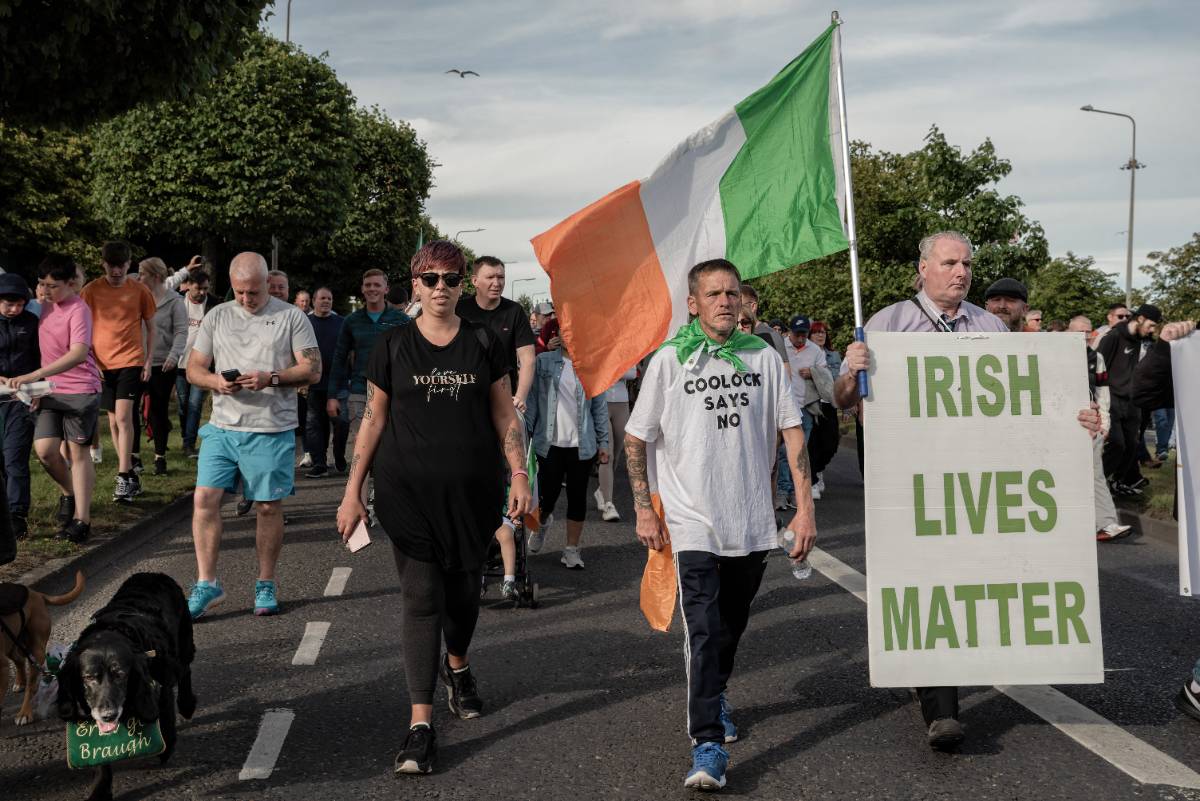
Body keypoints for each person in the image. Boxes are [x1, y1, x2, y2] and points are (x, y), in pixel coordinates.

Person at [835, 237, 1102, 753]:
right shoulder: (887, 324)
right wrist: (851, 371)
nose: (961, 273)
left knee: (966, 576)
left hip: (975, 476)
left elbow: (1028, 401)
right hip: (911, 477)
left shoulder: (990, 326)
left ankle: (956, 676)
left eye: (967, 264)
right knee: (925, 577)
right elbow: (845, 401)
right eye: (950, 263)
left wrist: (1078, 419)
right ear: (924, 268)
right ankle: (942, 707)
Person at [335, 240, 532, 776]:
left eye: (450, 279)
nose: (440, 288)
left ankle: (458, 665)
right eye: (430, 279)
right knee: (422, 598)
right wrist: (354, 490)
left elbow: (503, 414)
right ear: (415, 285)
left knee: (464, 596)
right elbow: (372, 420)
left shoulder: (485, 341)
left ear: (462, 284)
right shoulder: (392, 345)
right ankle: (421, 724)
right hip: (407, 494)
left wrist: (519, 471)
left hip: (473, 497)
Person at [624, 258, 815, 791]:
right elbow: (636, 438)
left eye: (733, 293)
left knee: (732, 621)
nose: (726, 301)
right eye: (713, 294)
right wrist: (644, 508)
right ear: (693, 303)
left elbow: (792, 432)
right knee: (704, 628)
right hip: (692, 521)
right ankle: (706, 743)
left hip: (751, 519)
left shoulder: (764, 359)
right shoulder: (670, 362)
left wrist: (804, 508)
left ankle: (718, 690)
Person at [184, 253, 320, 620]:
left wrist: (270, 378)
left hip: (270, 428)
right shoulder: (218, 316)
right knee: (204, 500)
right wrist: (216, 382)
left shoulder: (291, 316)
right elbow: (194, 369)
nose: (247, 299)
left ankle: (265, 581)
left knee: (266, 507)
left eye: (254, 292)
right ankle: (207, 582)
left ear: (266, 283)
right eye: (241, 292)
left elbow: (313, 369)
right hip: (223, 427)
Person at [12, 255, 102, 543]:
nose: (44, 290)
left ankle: (82, 520)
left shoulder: (79, 309)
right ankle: (69, 492)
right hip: (49, 390)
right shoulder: (43, 307)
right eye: (41, 284)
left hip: (80, 391)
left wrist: (35, 374)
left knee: (78, 453)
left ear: (71, 284)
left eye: (52, 285)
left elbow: (77, 353)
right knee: (46, 451)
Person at [525, 318, 610, 568]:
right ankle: (541, 524)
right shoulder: (543, 363)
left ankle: (572, 549)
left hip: (582, 446)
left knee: (577, 497)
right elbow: (531, 402)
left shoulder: (591, 367)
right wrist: (524, 435)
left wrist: (603, 442)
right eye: (566, 331)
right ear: (558, 334)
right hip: (548, 443)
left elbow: (599, 407)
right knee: (547, 496)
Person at [327, 269, 410, 510]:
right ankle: (359, 505)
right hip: (360, 392)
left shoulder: (401, 320)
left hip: (395, 393)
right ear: (362, 289)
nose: (372, 289)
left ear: (386, 289)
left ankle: (391, 503)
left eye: (377, 285)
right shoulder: (351, 322)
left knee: (391, 449)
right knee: (360, 450)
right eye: (367, 285)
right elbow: (340, 358)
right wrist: (332, 395)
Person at [80, 241, 156, 503]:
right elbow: (82, 327)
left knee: (124, 417)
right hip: (101, 364)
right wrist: (88, 360)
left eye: (121, 266)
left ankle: (123, 476)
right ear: (103, 264)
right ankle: (130, 472)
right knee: (113, 420)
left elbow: (151, 326)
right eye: (111, 266)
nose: (116, 271)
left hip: (131, 360)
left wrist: (148, 361)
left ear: (129, 264)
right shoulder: (90, 291)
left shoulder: (139, 290)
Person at [1065, 316, 1132, 541]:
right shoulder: (1056, 354)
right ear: (1068, 332)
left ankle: (1106, 523)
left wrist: (1105, 423)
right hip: (1062, 425)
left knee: (1095, 473)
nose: (1084, 336)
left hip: (1089, 427)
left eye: (1088, 332)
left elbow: (1103, 392)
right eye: (1079, 331)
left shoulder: (1097, 357)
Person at [455, 257, 535, 414]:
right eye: (490, 277)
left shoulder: (515, 311)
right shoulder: (459, 309)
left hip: (504, 400)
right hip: (464, 398)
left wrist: (520, 397)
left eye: (501, 277)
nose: (497, 283)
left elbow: (528, 359)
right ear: (475, 281)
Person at [1097, 303, 1161, 497]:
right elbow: (1098, 368)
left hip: (1132, 402)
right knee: (1117, 444)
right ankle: (1097, 484)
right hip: (1112, 400)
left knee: (1133, 446)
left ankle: (1118, 483)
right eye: (1151, 325)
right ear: (1140, 318)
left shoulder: (1139, 340)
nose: (1152, 330)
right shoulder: (1113, 337)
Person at [135, 258, 188, 476]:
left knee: (158, 410)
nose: (139, 278)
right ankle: (134, 457)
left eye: (142, 274)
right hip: (137, 362)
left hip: (163, 364)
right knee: (129, 412)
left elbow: (181, 331)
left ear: (156, 277)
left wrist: (174, 355)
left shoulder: (175, 301)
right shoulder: (137, 298)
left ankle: (160, 458)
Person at [0, 274, 40, 540]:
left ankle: (17, 514)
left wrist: (39, 386)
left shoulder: (33, 323)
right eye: (8, 304)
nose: (15, 309)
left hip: (21, 398)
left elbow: (43, 357)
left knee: (15, 457)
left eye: (20, 304)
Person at [176, 269, 221, 459]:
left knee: (194, 404)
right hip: (178, 362)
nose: (202, 292)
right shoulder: (178, 301)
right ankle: (185, 437)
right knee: (182, 404)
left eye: (205, 288)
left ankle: (189, 444)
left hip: (201, 365)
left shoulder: (214, 304)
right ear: (188, 285)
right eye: (198, 288)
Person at [304, 287, 347, 478]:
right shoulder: (305, 323)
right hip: (314, 382)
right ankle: (320, 463)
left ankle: (339, 455)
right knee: (315, 424)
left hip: (338, 382)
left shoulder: (342, 322)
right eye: (322, 298)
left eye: (329, 298)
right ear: (314, 300)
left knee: (341, 422)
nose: (326, 301)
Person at [594, 363, 636, 523]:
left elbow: (632, 373)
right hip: (600, 401)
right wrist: (616, 371)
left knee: (618, 454)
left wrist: (610, 371)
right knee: (608, 455)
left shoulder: (624, 345)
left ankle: (602, 490)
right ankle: (608, 504)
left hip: (622, 403)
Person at [806, 322, 841, 497]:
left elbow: (834, 379)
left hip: (828, 403)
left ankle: (818, 468)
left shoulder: (833, 356)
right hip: (811, 403)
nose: (821, 336)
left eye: (823, 333)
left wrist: (813, 372)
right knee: (812, 443)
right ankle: (812, 479)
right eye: (816, 333)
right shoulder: (805, 353)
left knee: (831, 444)